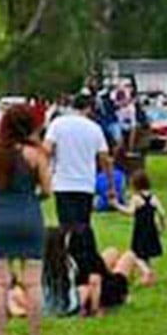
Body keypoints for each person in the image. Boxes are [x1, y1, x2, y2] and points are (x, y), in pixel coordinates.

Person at [0, 104, 50, 335]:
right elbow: (47, 189)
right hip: (29, 216)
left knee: (1, 284)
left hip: (0, 217)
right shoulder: (36, 154)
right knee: (32, 283)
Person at [44, 93, 111, 243]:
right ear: (89, 108)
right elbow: (104, 158)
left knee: (66, 225)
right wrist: (111, 184)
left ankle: (66, 256)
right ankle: (82, 256)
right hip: (85, 183)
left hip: (63, 182)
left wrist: (43, 173)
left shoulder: (58, 124)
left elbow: (47, 150)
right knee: (83, 226)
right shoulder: (95, 128)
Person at [123, 171, 165, 286]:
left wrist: (117, 205)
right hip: (152, 229)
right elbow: (162, 213)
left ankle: (146, 272)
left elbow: (130, 212)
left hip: (140, 230)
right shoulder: (153, 198)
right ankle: (151, 278)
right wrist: (162, 227)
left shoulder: (136, 198)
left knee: (135, 254)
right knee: (147, 255)